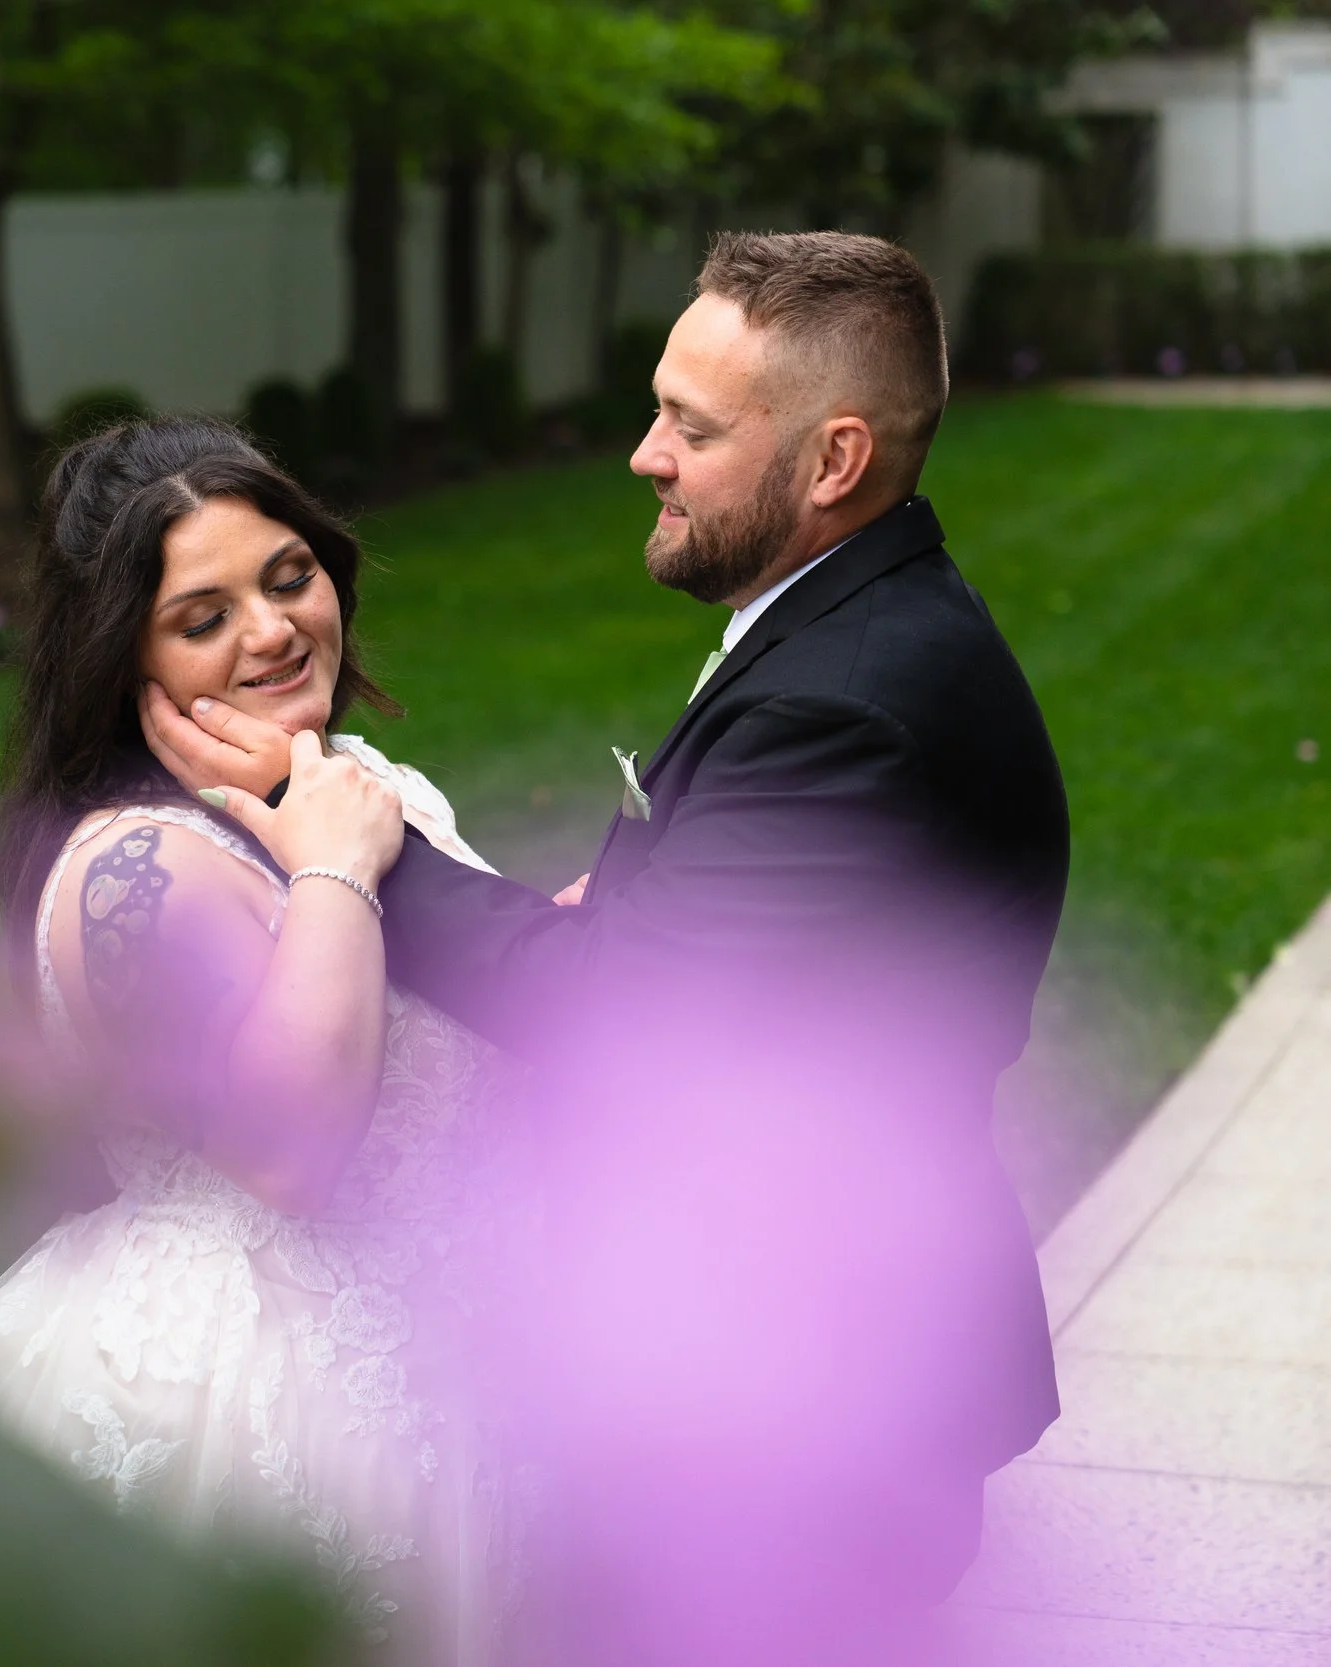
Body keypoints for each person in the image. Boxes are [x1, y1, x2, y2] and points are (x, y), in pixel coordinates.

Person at [146, 232, 1069, 1666]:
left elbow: (615, 1022)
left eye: (691, 428)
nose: (645, 453)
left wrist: (340, 833)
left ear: (832, 462)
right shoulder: (852, 629)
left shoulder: (847, 700)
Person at [0, 418, 534, 1665]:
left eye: (286, 576)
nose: (270, 631)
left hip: (445, 1371)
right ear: (122, 656)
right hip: (266, 1410)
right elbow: (292, 1149)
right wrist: (333, 865)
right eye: (201, 617)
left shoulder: (344, 781)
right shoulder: (137, 872)